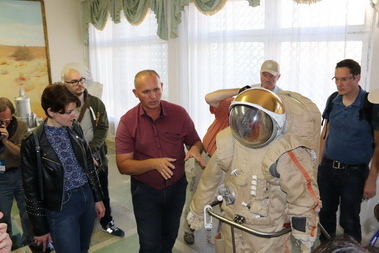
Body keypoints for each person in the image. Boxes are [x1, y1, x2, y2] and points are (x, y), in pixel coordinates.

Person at [187, 88, 321, 252]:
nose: (249, 123)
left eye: (255, 120)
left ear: (274, 122)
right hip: (231, 225)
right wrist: (198, 209)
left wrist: (304, 233)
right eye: (244, 118)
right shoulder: (230, 142)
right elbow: (211, 180)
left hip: (267, 234)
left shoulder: (285, 153)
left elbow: (302, 196)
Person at [182, 59, 283, 244]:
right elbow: (209, 98)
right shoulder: (236, 103)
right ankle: (189, 228)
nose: (267, 78)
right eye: (264, 74)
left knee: (230, 203)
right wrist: (242, 91)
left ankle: (222, 237)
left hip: (233, 165)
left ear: (278, 77)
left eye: (272, 76)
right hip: (209, 156)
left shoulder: (273, 109)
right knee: (199, 193)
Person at [115, 69, 205, 252]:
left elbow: (195, 141)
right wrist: (154, 163)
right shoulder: (127, 121)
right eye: (146, 92)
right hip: (145, 191)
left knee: (170, 236)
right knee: (149, 242)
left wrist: (195, 149)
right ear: (135, 93)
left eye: (156, 89)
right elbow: (123, 165)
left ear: (162, 86)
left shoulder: (179, 113)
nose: (153, 96)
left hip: (176, 188)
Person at [20, 83, 105, 253]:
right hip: (61, 206)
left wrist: (97, 198)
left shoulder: (75, 128)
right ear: (51, 111)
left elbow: (88, 165)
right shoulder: (33, 142)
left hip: (86, 196)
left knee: (83, 249)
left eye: (74, 110)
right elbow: (31, 188)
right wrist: (40, 228)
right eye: (68, 112)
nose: (74, 116)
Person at [318, 59, 378, 243]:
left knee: (349, 220)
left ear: (357, 77)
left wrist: (371, 180)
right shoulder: (332, 100)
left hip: (355, 173)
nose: (339, 84)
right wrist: (318, 165)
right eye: (336, 79)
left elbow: (378, 145)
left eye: (344, 79)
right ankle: (327, 247)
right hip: (327, 169)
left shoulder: (371, 105)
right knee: (325, 213)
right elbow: (325, 134)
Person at [62, 63, 125, 237]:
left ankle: (107, 221)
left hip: (96, 156)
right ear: (65, 84)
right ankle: (81, 223)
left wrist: (90, 151)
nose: (79, 84)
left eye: (81, 80)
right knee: (78, 192)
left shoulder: (95, 103)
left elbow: (103, 128)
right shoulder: (61, 105)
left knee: (102, 190)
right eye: (73, 81)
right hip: (72, 159)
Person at [0, 97, 31, 249]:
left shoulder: (21, 125)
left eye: (6, 119)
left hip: (20, 173)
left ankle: (30, 239)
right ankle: (7, 243)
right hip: (1, 177)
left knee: (26, 209)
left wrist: (6, 141)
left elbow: (21, 153)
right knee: (3, 214)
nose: (4, 124)